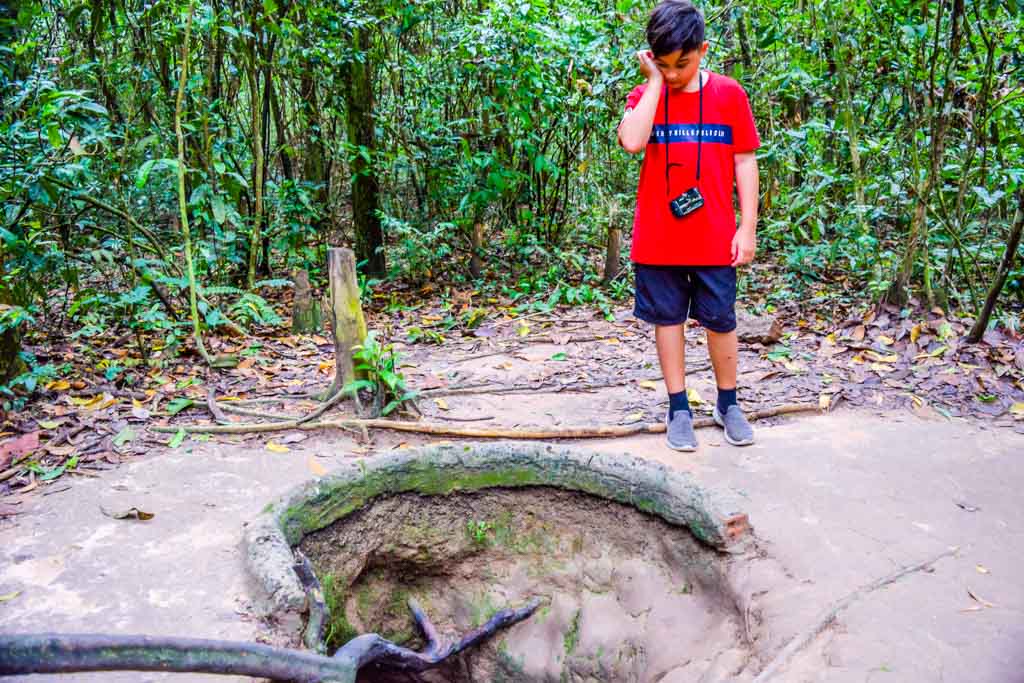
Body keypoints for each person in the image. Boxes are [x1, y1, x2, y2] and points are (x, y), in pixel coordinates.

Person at [617, 0, 760, 451]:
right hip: (658, 239)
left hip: (715, 236)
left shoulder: (729, 94)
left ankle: (728, 403)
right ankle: (679, 407)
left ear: (703, 49)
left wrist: (748, 227)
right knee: (668, 321)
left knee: (721, 321)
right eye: (664, 64)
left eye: (683, 63)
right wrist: (656, 82)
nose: (675, 73)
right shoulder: (647, 95)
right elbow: (633, 142)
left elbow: (745, 161)